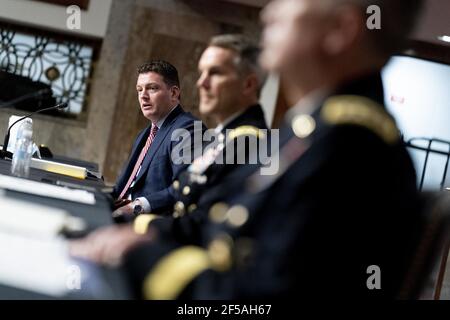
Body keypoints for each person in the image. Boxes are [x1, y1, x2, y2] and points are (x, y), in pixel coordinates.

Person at [121, 0, 425, 299]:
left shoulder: (352, 147)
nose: (269, 11)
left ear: (341, 29)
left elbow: (263, 294)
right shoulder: (312, 130)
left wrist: (143, 261)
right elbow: (222, 229)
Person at [70, 34, 270, 264]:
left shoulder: (244, 141)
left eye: (214, 73)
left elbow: (200, 220)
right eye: (139, 90)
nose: (200, 83)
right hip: (162, 231)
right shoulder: (217, 135)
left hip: (180, 251)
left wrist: (139, 223)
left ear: (248, 84)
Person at [111, 60, 201, 218]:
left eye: (152, 88)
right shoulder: (145, 134)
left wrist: (138, 206)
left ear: (173, 93)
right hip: (118, 212)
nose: (143, 96)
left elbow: (185, 188)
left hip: (148, 223)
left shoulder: (187, 129)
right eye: (139, 90)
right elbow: (122, 187)